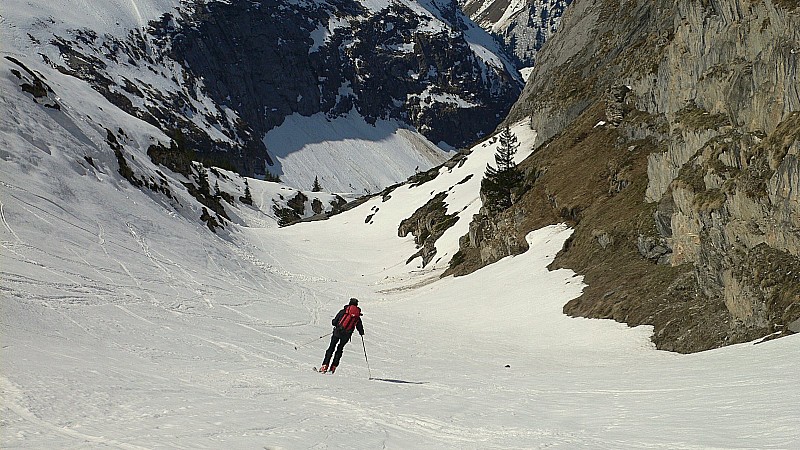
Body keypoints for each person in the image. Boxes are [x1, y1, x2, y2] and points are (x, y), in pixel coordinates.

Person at [319, 298, 364, 374]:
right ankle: (333, 367)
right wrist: (361, 333)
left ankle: (325, 366)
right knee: (340, 349)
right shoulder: (357, 316)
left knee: (331, 348)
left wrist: (336, 323)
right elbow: (359, 327)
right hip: (346, 335)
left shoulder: (343, 311)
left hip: (337, 332)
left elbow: (334, 322)